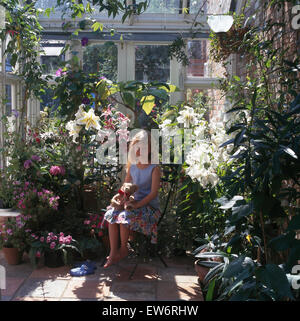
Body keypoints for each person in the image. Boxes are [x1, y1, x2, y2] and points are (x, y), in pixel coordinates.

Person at [103, 129, 161, 268]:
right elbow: (125, 187)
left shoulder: (154, 168)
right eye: (137, 147)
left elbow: (153, 193)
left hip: (149, 208)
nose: (139, 151)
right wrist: (119, 197)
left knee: (124, 216)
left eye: (143, 148)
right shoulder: (133, 167)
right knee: (112, 214)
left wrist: (136, 205)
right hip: (132, 205)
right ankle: (113, 251)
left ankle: (124, 249)